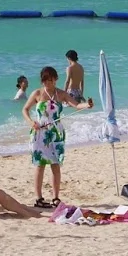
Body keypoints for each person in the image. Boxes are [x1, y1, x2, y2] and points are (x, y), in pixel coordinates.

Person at [23, 65, 92, 208]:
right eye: (45, 81)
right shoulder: (37, 93)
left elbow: (76, 105)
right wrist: (31, 122)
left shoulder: (61, 94)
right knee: (40, 165)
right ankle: (39, 198)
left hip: (56, 133)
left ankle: (55, 197)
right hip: (40, 133)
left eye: (50, 80)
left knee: (55, 164)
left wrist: (87, 105)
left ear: (55, 79)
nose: (47, 83)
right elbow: (25, 109)